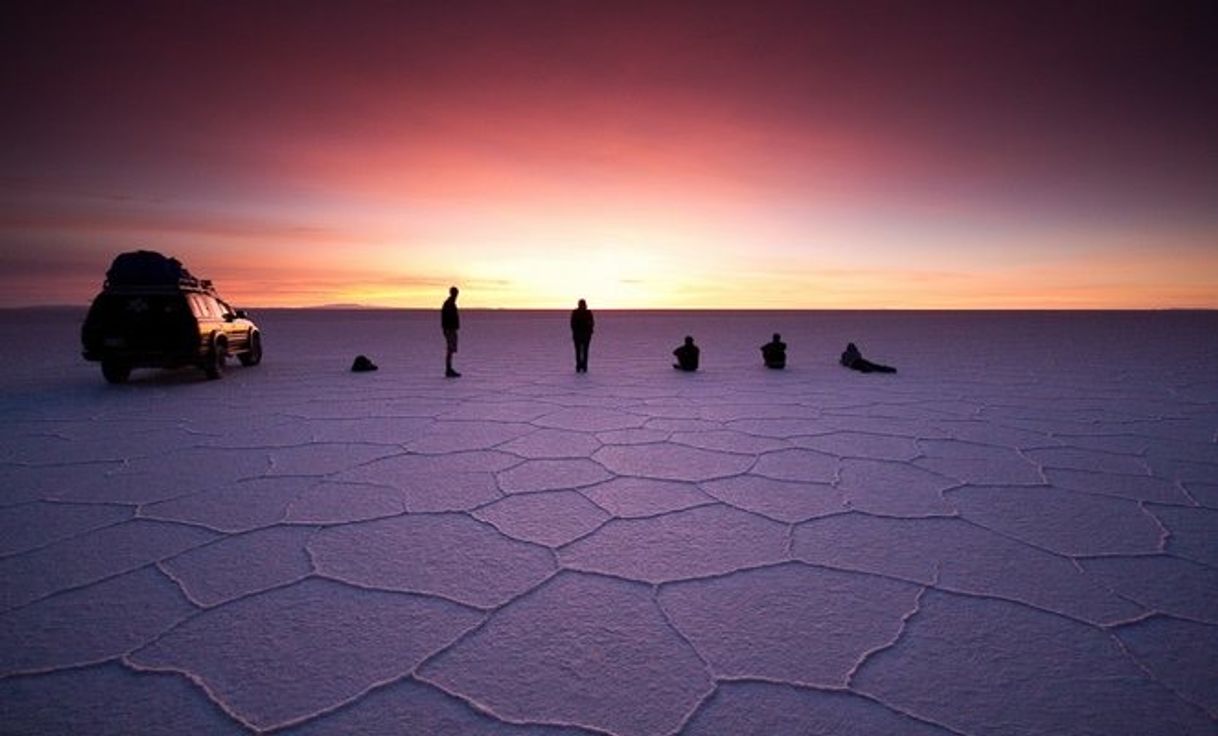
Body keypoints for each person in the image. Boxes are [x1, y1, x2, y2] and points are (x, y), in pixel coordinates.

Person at [570, 298, 595, 372]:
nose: (582, 306)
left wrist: (589, 331)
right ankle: (579, 366)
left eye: (583, 304)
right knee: (578, 351)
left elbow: (592, 323)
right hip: (578, 335)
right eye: (581, 304)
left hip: (585, 335)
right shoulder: (575, 312)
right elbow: (572, 324)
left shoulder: (588, 312)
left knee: (585, 351)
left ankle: (584, 367)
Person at [441, 286, 461, 377]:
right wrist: (449, 328)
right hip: (449, 329)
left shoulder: (451, 303)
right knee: (450, 349)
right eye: (455, 293)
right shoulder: (449, 303)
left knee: (451, 349)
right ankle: (448, 370)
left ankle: (449, 369)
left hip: (450, 328)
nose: (456, 295)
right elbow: (447, 317)